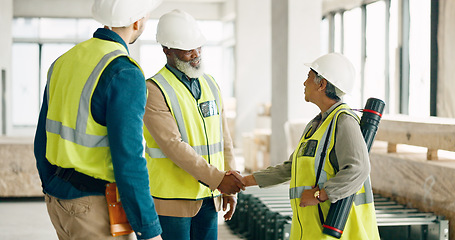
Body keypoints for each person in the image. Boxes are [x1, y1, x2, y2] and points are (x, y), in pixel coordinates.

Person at [33, 0, 163, 239]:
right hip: (94, 207)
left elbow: (41, 137)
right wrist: (149, 228)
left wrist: (51, 185)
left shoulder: (63, 61)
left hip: (58, 199)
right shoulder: (124, 72)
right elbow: (129, 158)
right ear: (138, 21)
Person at [230, 53, 380, 239]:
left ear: (321, 84)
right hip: (310, 230)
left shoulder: (344, 121)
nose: (304, 83)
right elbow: (290, 168)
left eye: (308, 77)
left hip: (338, 231)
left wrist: (320, 194)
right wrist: (245, 181)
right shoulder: (317, 124)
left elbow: (359, 169)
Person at [142, 9, 243, 240]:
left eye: (198, 46)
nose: (196, 54)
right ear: (166, 49)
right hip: (172, 202)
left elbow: (224, 138)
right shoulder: (154, 90)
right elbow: (172, 145)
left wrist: (231, 180)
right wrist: (218, 179)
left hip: (209, 197)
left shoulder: (210, 83)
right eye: (188, 49)